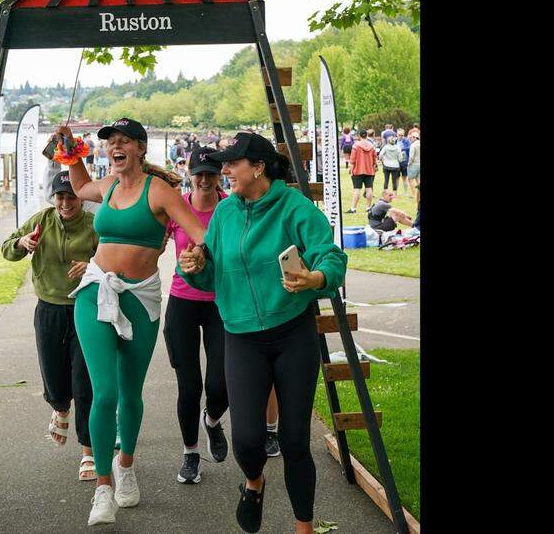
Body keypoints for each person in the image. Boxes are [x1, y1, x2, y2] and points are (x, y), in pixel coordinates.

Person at [178, 131, 348, 534]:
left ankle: (303, 527)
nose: (225, 171)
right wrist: (196, 269)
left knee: (293, 442)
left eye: (233, 163)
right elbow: (214, 277)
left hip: (293, 334)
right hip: (241, 336)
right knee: (248, 443)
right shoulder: (225, 214)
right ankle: (254, 482)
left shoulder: (294, 207)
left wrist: (316, 278)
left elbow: (331, 256)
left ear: (258, 168)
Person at [54, 118, 211, 526]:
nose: (115, 147)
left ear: (141, 149)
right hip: (95, 290)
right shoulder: (105, 187)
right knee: (103, 392)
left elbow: (199, 232)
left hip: (140, 298)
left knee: (129, 393)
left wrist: (196, 255)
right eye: (110, 143)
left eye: (124, 141)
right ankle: (103, 486)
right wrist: (71, 150)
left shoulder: (160, 191)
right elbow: (80, 184)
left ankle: (125, 465)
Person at [0, 172, 100, 482]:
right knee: (55, 377)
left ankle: (89, 451)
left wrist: (93, 266)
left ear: (82, 197)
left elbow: (114, 259)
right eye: (61, 196)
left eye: (72, 196)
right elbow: (7, 249)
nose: (66, 202)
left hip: (85, 307)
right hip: (49, 308)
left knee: (85, 382)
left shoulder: (95, 224)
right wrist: (22, 242)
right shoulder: (41, 220)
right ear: (53, 198)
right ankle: (59, 408)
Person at [163, 147, 229, 485]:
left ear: (221, 174)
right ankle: (190, 453)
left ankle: (213, 421)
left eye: (211, 172)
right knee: (189, 387)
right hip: (183, 302)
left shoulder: (230, 208)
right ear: (189, 173)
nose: (204, 179)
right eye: (198, 172)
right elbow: (149, 245)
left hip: (221, 304)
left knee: (222, 384)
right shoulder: (176, 206)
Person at [347, 130, 377, 213]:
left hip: (358, 170)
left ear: (359, 136)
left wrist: (351, 169)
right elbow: (375, 158)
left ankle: (353, 208)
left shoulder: (356, 146)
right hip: (369, 170)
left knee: (357, 189)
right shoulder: (372, 146)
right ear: (366, 136)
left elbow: (352, 159)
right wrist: (374, 166)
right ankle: (368, 207)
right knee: (369, 189)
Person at [396, 129, 411, 196]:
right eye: (399, 135)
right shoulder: (394, 141)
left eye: (402, 135)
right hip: (396, 162)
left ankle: (406, 192)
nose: (401, 136)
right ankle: (395, 192)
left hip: (404, 161)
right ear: (397, 134)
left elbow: (409, 148)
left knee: (404, 177)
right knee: (396, 178)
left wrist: (402, 149)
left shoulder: (407, 141)